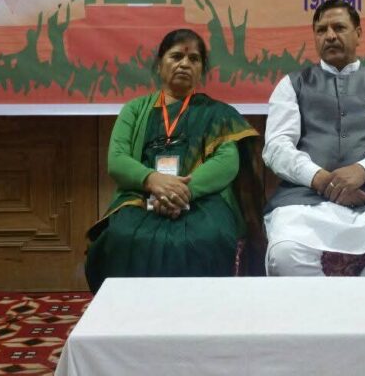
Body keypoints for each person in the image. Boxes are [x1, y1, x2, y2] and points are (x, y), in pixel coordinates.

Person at [262, 0, 365, 276]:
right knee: (285, 254)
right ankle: (330, 304)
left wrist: (363, 170)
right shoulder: (292, 84)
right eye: (321, 30)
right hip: (305, 199)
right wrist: (320, 179)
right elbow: (276, 148)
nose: (330, 36)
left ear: (358, 33)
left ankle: (356, 301)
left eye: (339, 28)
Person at [85, 29, 259, 291]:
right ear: (159, 64)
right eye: (176, 56)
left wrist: (180, 192)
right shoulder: (135, 109)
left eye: (194, 59)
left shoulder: (218, 113)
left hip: (202, 200)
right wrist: (152, 180)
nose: (185, 64)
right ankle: (129, 311)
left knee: (208, 237)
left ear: (201, 69)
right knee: (120, 237)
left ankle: (200, 311)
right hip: (141, 197)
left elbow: (227, 162)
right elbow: (117, 159)